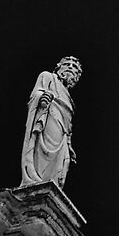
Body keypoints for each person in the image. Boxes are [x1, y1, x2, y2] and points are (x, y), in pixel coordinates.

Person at [20, 56, 81, 188]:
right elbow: (36, 93)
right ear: (59, 67)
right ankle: (35, 180)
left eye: (74, 67)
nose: (70, 67)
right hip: (48, 117)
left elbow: (69, 125)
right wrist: (42, 97)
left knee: (60, 166)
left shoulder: (70, 101)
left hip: (62, 133)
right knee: (42, 155)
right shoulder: (47, 76)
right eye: (67, 64)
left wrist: (69, 144)